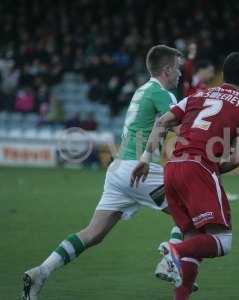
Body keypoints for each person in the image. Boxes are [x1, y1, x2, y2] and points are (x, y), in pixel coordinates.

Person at [22, 45, 185, 300]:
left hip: (118, 169)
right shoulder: (163, 94)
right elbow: (183, 127)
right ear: (166, 69)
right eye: (177, 67)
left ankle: (41, 272)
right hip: (138, 169)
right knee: (190, 212)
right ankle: (170, 261)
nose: (180, 73)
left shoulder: (143, 91)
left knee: (93, 233)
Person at [131, 52, 239, 299]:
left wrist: (145, 158)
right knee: (222, 241)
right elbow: (238, 158)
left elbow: (161, 123)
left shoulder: (197, 95)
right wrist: (212, 171)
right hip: (198, 168)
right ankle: (172, 250)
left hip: (172, 168)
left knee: (194, 241)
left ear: (222, 73)